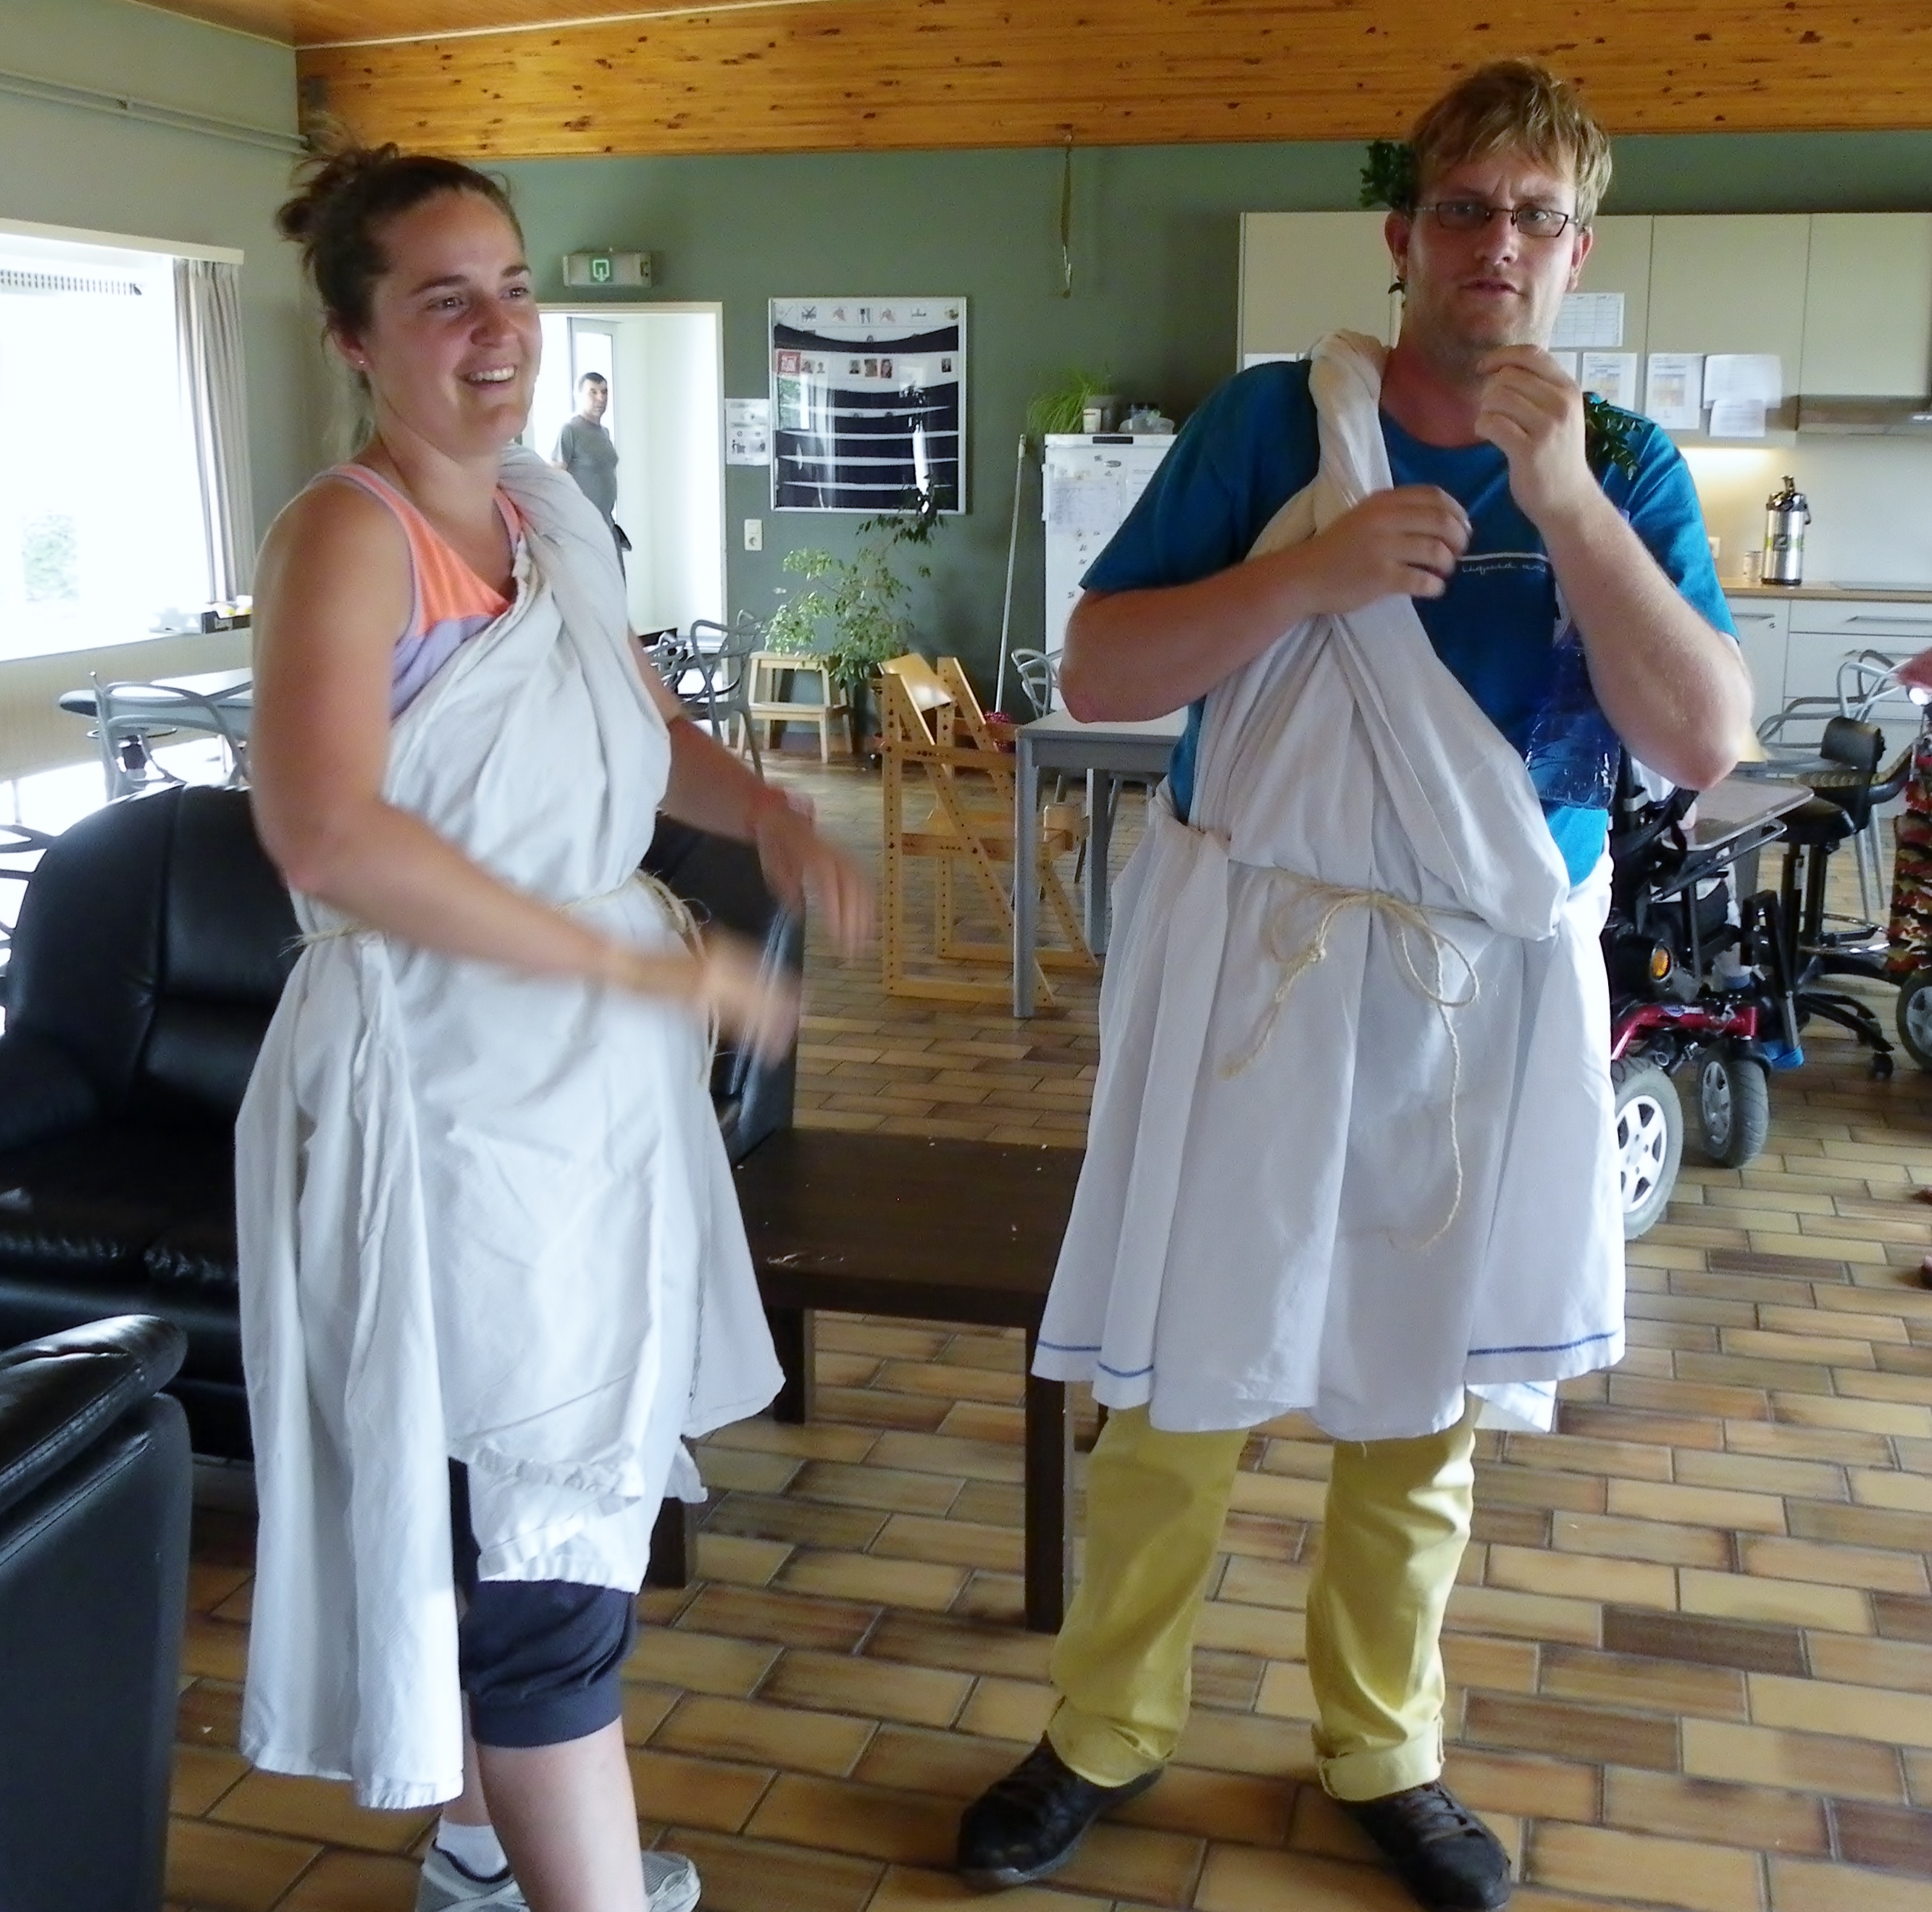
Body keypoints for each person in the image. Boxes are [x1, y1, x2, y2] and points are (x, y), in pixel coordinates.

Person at [956, 61, 1748, 1912]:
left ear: (1578, 250)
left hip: (1483, 986)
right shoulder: (1272, 425)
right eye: (1463, 209)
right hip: (1259, 956)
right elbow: (1102, 669)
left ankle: (1385, 1749)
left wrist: (1567, 506)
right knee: (1179, 1384)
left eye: (1535, 217)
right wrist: (1312, 571)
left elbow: (1700, 737)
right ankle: (1104, 1729)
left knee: (1421, 1392)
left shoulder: (1624, 465)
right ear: (1402, 235)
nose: (1496, 245)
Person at [236, 146, 870, 1912]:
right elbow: (325, 836)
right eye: (443, 299)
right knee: (535, 1526)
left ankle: (474, 1853)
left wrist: (772, 811)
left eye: (512, 288)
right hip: (443, 1091)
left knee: (520, 1485)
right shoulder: (346, 538)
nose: (497, 330)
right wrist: (636, 971)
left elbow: (639, 729)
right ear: (356, 336)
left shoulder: (539, 518)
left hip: (577, 1099)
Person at [553, 371, 626, 561]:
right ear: (578, 396)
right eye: (593, 392)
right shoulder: (570, 430)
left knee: (615, 579)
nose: (601, 398)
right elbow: (554, 479)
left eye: (604, 392)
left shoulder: (605, 433)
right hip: (581, 529)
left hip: (607, 525)